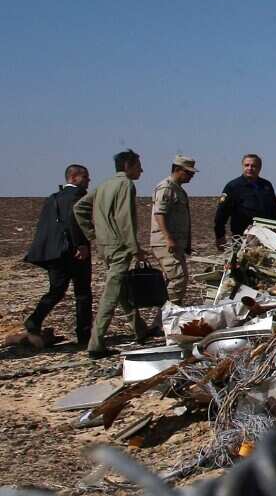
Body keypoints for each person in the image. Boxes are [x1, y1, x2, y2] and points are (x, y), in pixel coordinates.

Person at [74, 149, 150, 358]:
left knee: (121, 288)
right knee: (111, 294)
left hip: (106, 246)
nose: (141, 170)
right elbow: (125, 219)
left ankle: (140, 329)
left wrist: (94, 234)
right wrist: (135, 249)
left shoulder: (104, 185)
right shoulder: (126, 184)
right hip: (119, 247)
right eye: (138, 166)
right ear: (128, 166)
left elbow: (79, 208)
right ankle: (96, 344)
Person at [22, 164, 93, 348]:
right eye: (85, 177)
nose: (88, 181)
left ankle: (35, 320)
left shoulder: (53, 198)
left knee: (56, 291)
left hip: (54, 254)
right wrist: (81, 244)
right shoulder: (77, 196)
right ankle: (84, 335)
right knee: (82, 293)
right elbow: (74, 220)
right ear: (74, 177)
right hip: (73, 252)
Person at [150, 155, 196, 316]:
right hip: (166, 243)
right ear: (177, 170)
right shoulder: (166, 188)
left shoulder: (178, 189)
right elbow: (159, 214)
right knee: (177, 280)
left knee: (174, 280)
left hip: (176, 243)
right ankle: (166, 318)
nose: (191, 176)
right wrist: (168, 238)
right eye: (188, 173)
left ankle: (163, 319)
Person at [214, 153, 276, 249]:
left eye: (253, 166)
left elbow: (275, 211)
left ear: (260, 168)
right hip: (243, 237)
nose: (250, 168)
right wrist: (220, 236)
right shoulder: (233, 187)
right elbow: (221, 214)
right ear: (242, 166)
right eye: (247, 165)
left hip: (267, 238)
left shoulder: (266, 186)